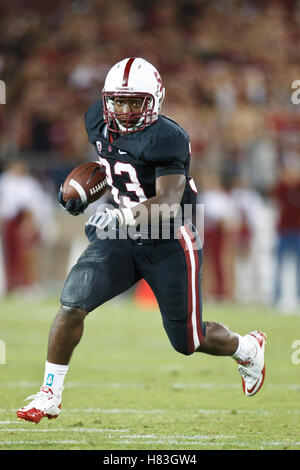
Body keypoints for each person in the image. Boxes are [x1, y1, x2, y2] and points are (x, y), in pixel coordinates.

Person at [17, 58, 267, 423]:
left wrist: (117, 213)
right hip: (123, 233)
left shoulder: (168, 136)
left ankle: (247, 348)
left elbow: (167, 201)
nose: (125, 110)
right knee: (72, 302)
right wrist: (83, 196)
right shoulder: (96, 120)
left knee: (188, 341)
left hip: (172, 236)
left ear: (155, 100)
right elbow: (112, 166)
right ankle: (49, 393)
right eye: (119, 101)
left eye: (136, 102)